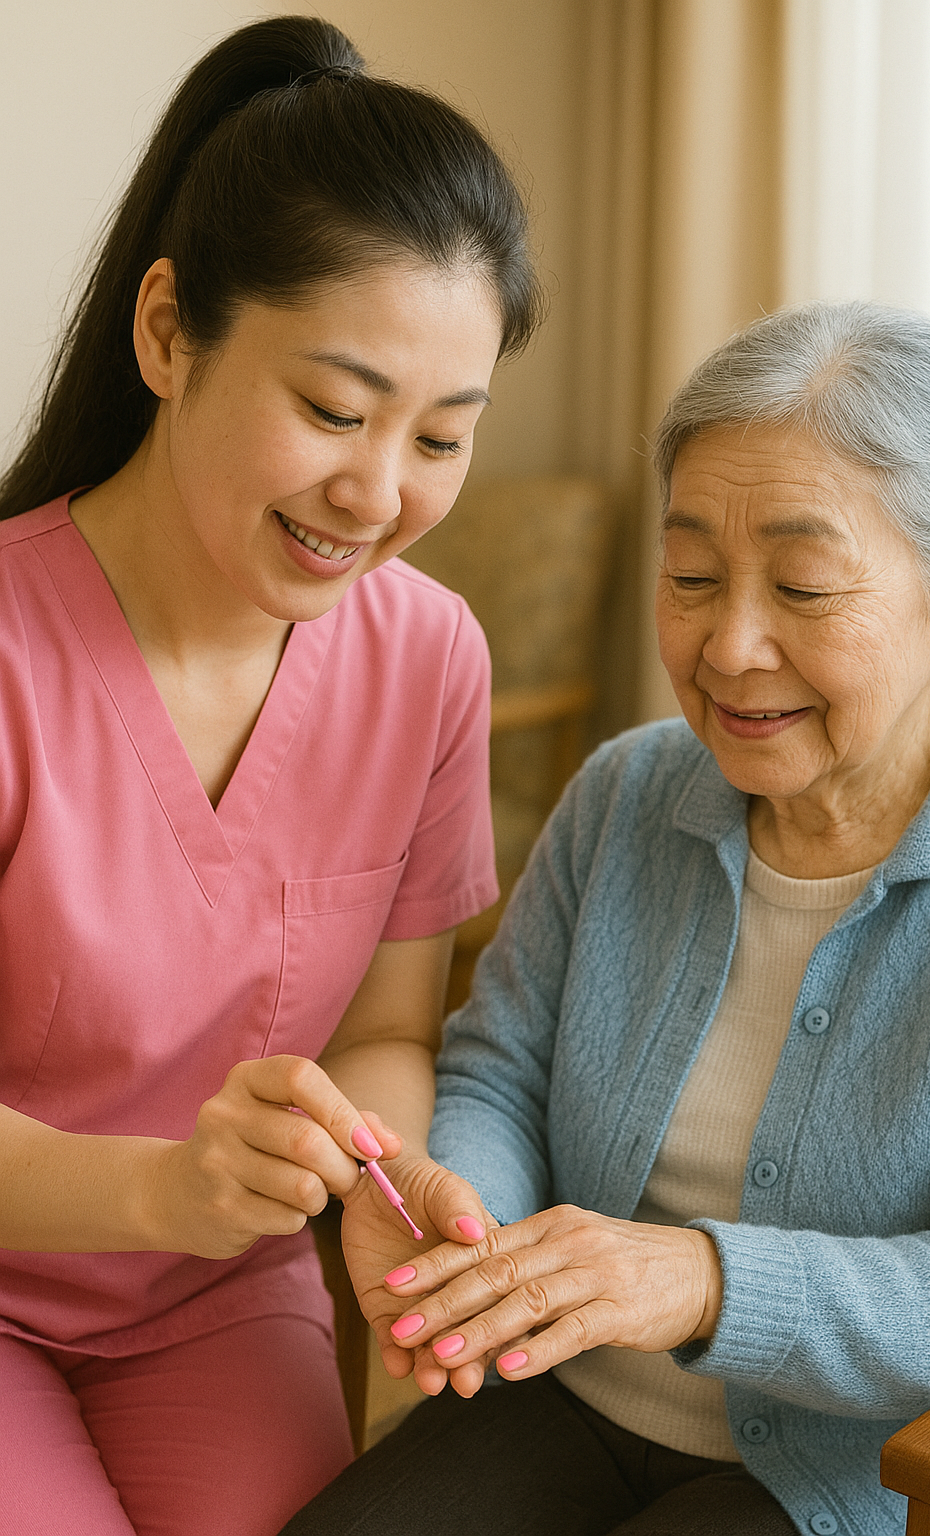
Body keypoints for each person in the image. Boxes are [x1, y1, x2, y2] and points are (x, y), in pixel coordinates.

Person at [285, 301, 930, 1536]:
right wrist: (467, 1219)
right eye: (690, 577)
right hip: (560, 1400)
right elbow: (498, 1070)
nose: (729, 646)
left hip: (844, 1473)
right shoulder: (627, 794)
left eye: (800, 585)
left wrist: (701, 1279)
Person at [0, 15, 541, 1536]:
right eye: (333, 410)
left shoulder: (430, 658)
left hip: (215, 1298)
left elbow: (383, 1029)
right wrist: (158, 1190)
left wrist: (380, 1187)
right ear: (170, 333)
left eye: (442, 436)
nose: (380, 494)